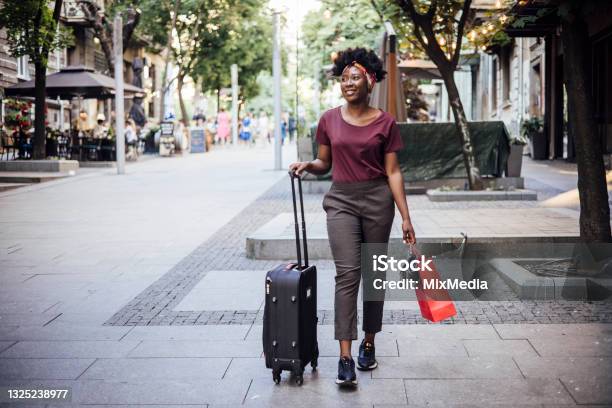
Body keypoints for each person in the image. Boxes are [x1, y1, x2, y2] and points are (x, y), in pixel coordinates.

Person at [289, 47, 417, 388]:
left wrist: (405, 216)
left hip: (378, 201)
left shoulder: (386, 122)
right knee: (347, 276)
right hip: (342, 201)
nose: (347, 82)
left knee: (374, 275)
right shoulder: (329, 119)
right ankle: (344, 356)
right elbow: (324, 163)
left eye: (355, 77)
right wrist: (308, 166)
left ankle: (369, 341)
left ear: (369, 81)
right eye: (343, 77)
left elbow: (393, 172)